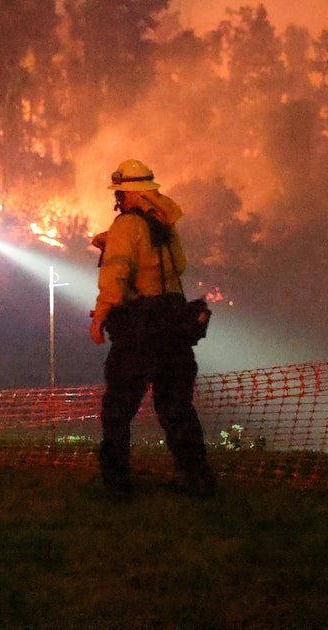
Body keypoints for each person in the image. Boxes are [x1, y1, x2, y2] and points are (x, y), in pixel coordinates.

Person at [89, 158, 217, 498]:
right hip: (174, 324)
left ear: (125, 192)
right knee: (176, 407)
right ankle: (197, 478)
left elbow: (116, 271)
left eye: (118, 191)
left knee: (118, 409)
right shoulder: (164, 224)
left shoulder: (126, 225)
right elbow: (179, 266)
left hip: (139, 328)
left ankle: (116, 484)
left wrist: (101, 314)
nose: (116, 197)